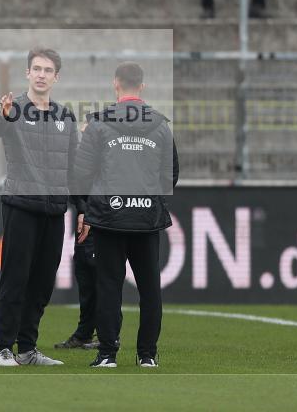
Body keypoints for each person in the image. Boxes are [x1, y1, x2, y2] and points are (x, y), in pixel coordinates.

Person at [73, 62, 179, 368]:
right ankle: (147, 355)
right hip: (146, 221)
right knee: (150, 289)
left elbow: (81, 173)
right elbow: (171, 175)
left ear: (115, 84)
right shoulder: (159, 125)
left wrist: (92, 204)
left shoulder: (99, 123)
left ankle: (107, 353)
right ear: (142, 87)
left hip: (109, 218)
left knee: (108, 286)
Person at [0, 47, 79, 367]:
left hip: (55, 210)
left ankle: (27, 348)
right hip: (21, 205)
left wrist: (83, 209)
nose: (41, 74)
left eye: (47, 70)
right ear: (27, 73)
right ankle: (4, 348)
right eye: (36, 68)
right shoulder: (13, 108)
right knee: (15, 279)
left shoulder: (65, 115)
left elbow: (74, 166)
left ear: (56, 77)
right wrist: (2, 112)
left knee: (41, 284)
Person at [53, 196, 100, 350]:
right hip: (86, 211)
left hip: (104, 215)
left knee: (102, 277)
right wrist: (82, 207)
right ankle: (84, 333)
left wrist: (85, 209)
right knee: (84, 274)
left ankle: (108, 335)